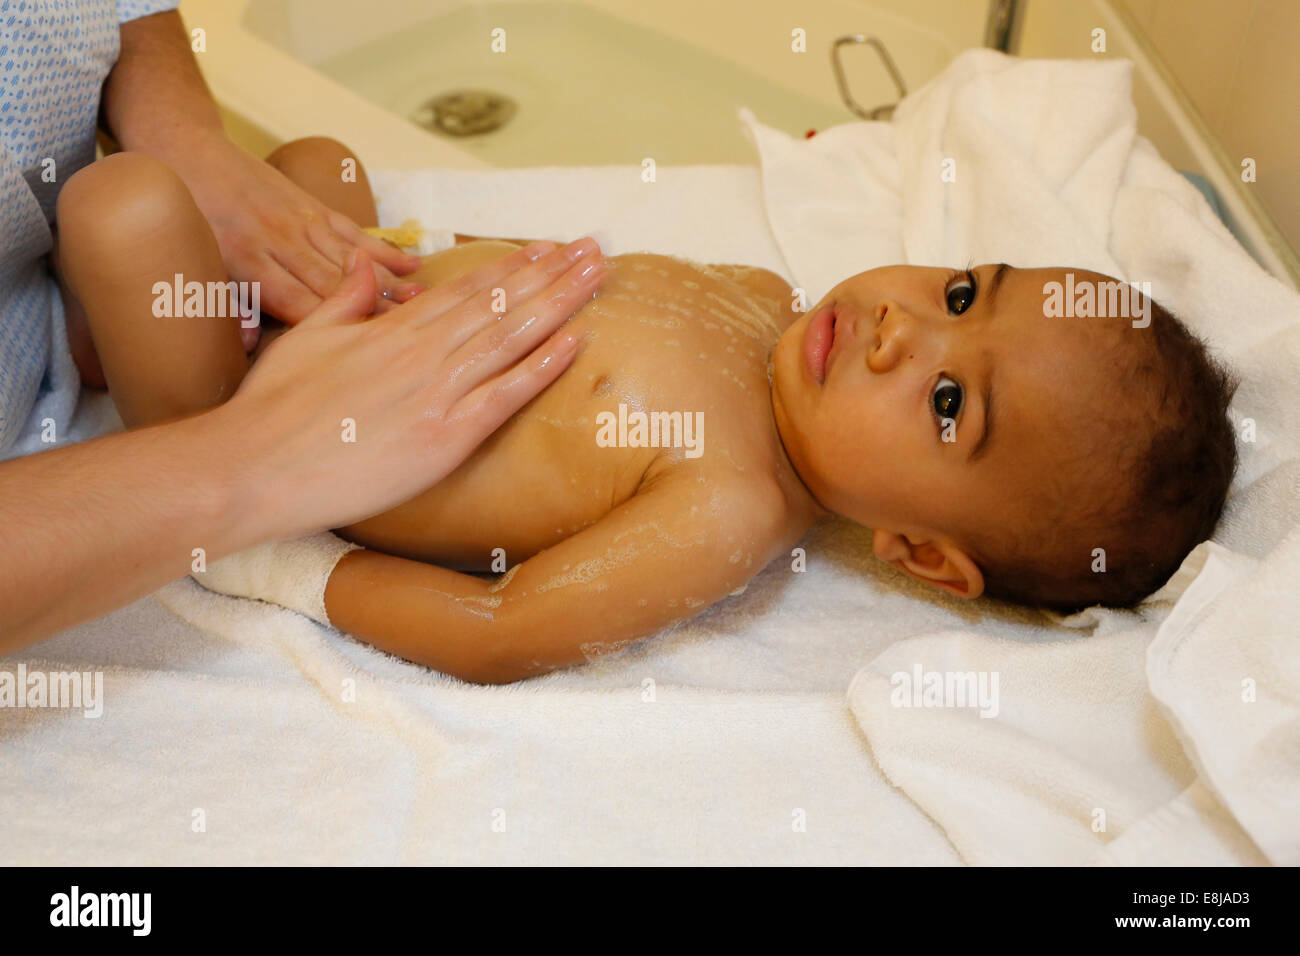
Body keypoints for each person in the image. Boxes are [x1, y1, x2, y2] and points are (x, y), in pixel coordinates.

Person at [92, 141, 1239, 683]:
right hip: (348, 299)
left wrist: (289, 566)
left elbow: (506, 629)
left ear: (925, 555)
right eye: (955, 294)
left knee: (127, 206)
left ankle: (142, 360)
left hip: (255, 416)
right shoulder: (763, 308)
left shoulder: (728, 504)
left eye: (947, 401)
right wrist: (398, 263)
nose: (902, 329)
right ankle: (106, 325)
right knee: (320, 163)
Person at [0, 4, 602, 646]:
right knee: (142, 200)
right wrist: (242, 464)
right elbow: (498, 629)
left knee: (213, 184)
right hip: (234, 403)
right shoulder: (697, 483)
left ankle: (96, 312)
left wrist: (191, 143)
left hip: (157, 338)